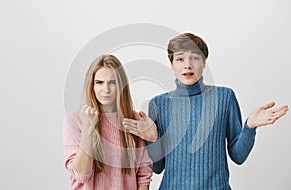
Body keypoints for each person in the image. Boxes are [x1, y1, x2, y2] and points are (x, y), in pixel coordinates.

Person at [123, 33, 289, 189]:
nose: (187, 65)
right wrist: (153, 139)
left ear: (204, 63)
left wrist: (250, 127)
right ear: (172, 64)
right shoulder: (158, 104)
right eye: (180, 59)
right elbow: (159, 167)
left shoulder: (225, 97)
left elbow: (238, 156)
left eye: (195, 58)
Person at [63, 54, 153, 190]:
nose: (106, 90)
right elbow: (81, 175)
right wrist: (88, 129)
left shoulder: (134, 120)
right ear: (91, 85)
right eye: (99, 82)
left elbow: (143, 177)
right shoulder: (74, 121)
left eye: (112, 82)